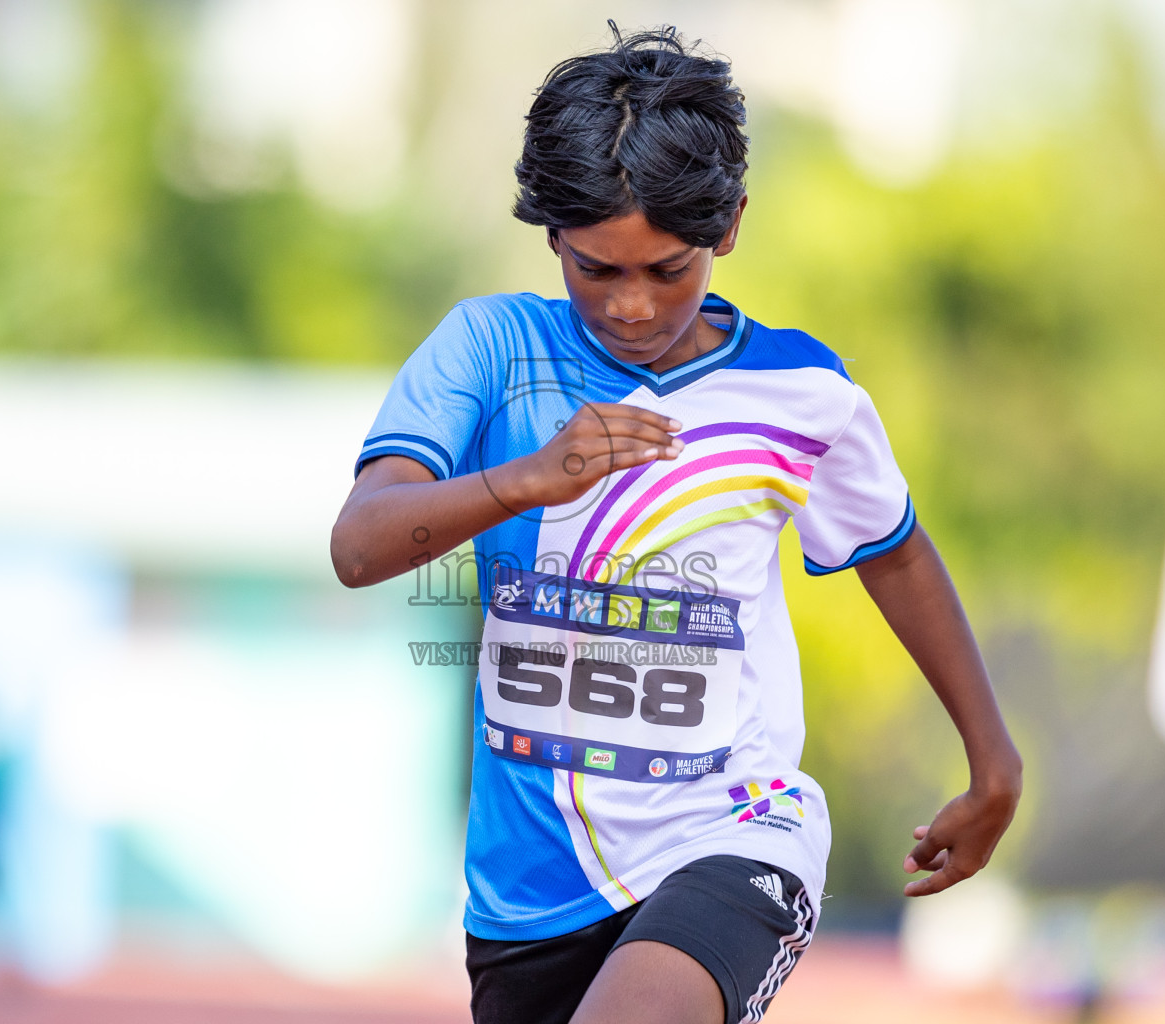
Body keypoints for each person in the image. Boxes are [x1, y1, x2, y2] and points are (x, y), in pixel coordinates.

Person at [331, 24, 1021, 1024]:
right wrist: (527, 478)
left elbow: (896, 553)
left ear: (729, 226)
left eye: (667, 269)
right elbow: (361, 543)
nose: (630, 307)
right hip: (529, 897)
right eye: (595, 270)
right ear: (552, 236)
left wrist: (993, 757)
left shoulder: (797, 391)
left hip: (733, 835)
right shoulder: (489, 350)